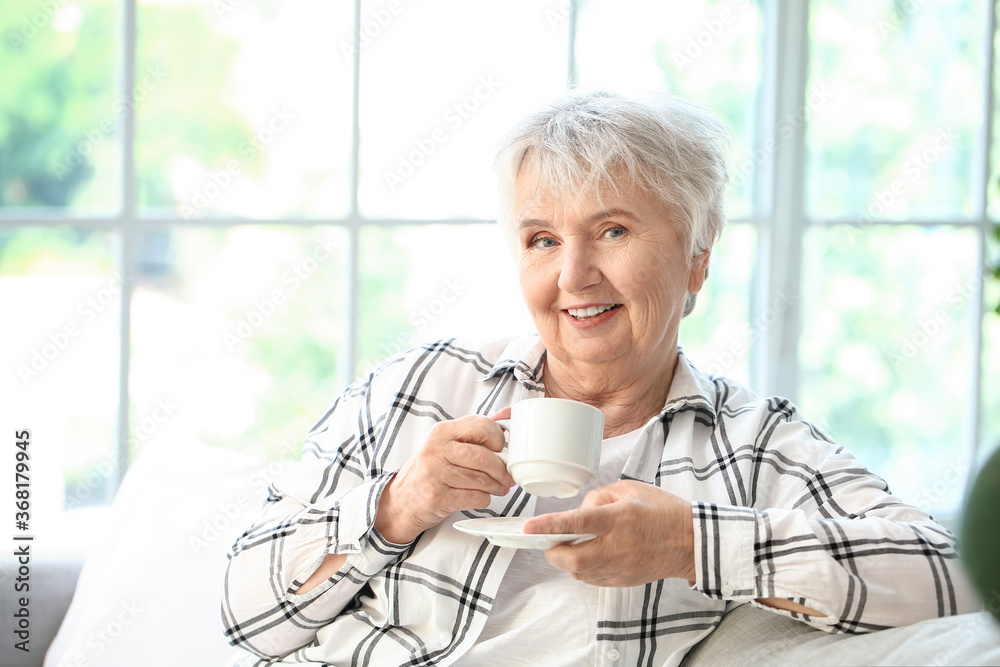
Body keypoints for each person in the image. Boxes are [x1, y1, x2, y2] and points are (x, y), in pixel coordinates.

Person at [220, 91, 978, 666]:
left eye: (612, 229)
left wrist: (691, 544)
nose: (574, 275)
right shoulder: (418, 388)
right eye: (542, 239)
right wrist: (398, 505)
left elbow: (959, 575)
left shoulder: (752, 445)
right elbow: (243, 609)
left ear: (696, 258)